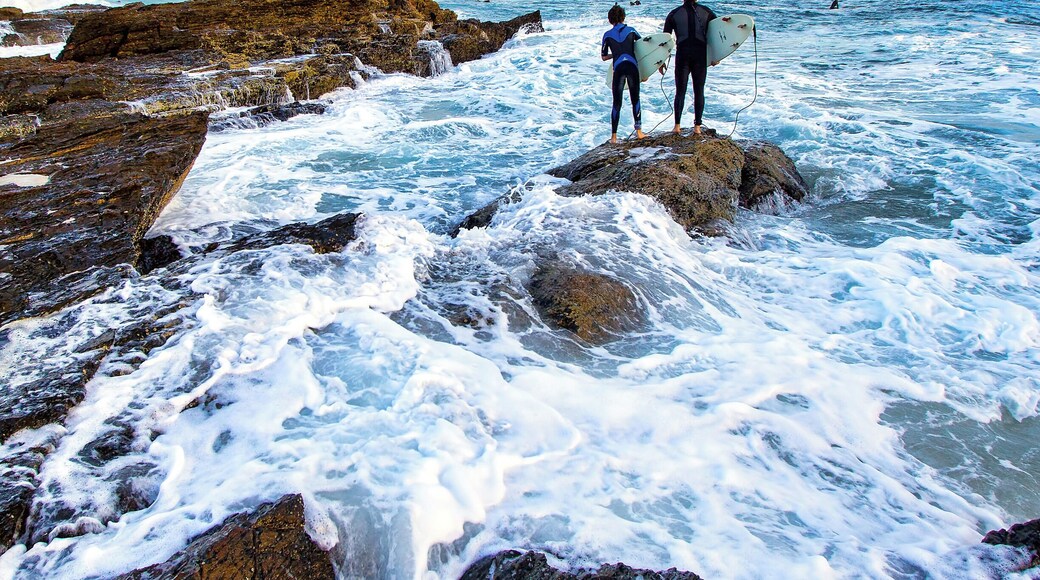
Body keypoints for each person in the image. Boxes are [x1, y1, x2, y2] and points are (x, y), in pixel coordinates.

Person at [663, 0, 717, 135]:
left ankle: (677, 126)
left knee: (680, 91)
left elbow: (664, 40)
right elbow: (720, 34)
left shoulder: (673, 14)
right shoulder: (707, 12)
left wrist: (660, 61)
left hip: (683, 57)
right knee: (699, 91)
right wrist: (716, 56)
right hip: (700, 56)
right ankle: (697, 127)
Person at [601, 4, 645, 144]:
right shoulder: (631, 30)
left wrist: (616, 54)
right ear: (623, 17)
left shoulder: (607, 35)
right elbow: (644, 47)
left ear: (610, 19)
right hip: (632, 67)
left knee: (617, 103)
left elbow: (603, 56)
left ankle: (614, 137)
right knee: (635, 100)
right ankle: (639, 132)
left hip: (618, 69)